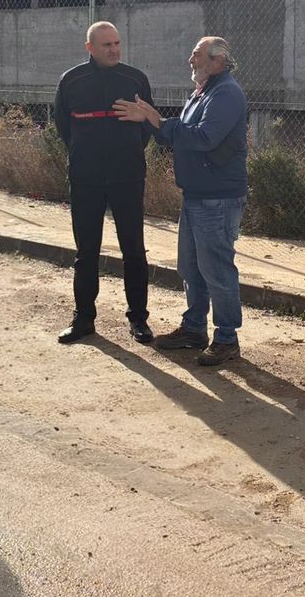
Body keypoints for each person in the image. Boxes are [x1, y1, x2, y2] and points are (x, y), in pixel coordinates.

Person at [114, 36, 248, 366]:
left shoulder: (226, 93)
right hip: (198, 196)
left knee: (217, 270)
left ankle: (227, 339)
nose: (191, 60)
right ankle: (194, 330)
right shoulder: (204, 91)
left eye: (197, 55)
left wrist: (159, 122)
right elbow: (179, 134)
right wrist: (153, 119)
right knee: (190, 267)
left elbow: (204, 137)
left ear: (217, 61)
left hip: (217, 199)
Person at [52, 21, 156, 344]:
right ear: (90, 48)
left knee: (134, 250)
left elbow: (147, 125)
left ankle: (138, 319)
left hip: (127, 175)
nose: (114, 49)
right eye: (106, 45)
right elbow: (62, 126)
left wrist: (125, 153)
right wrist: (85, 154)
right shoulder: (71, 81)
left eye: (117, 43)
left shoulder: (135, 79)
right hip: (86, 177)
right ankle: (83, 319)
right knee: (87, 251)